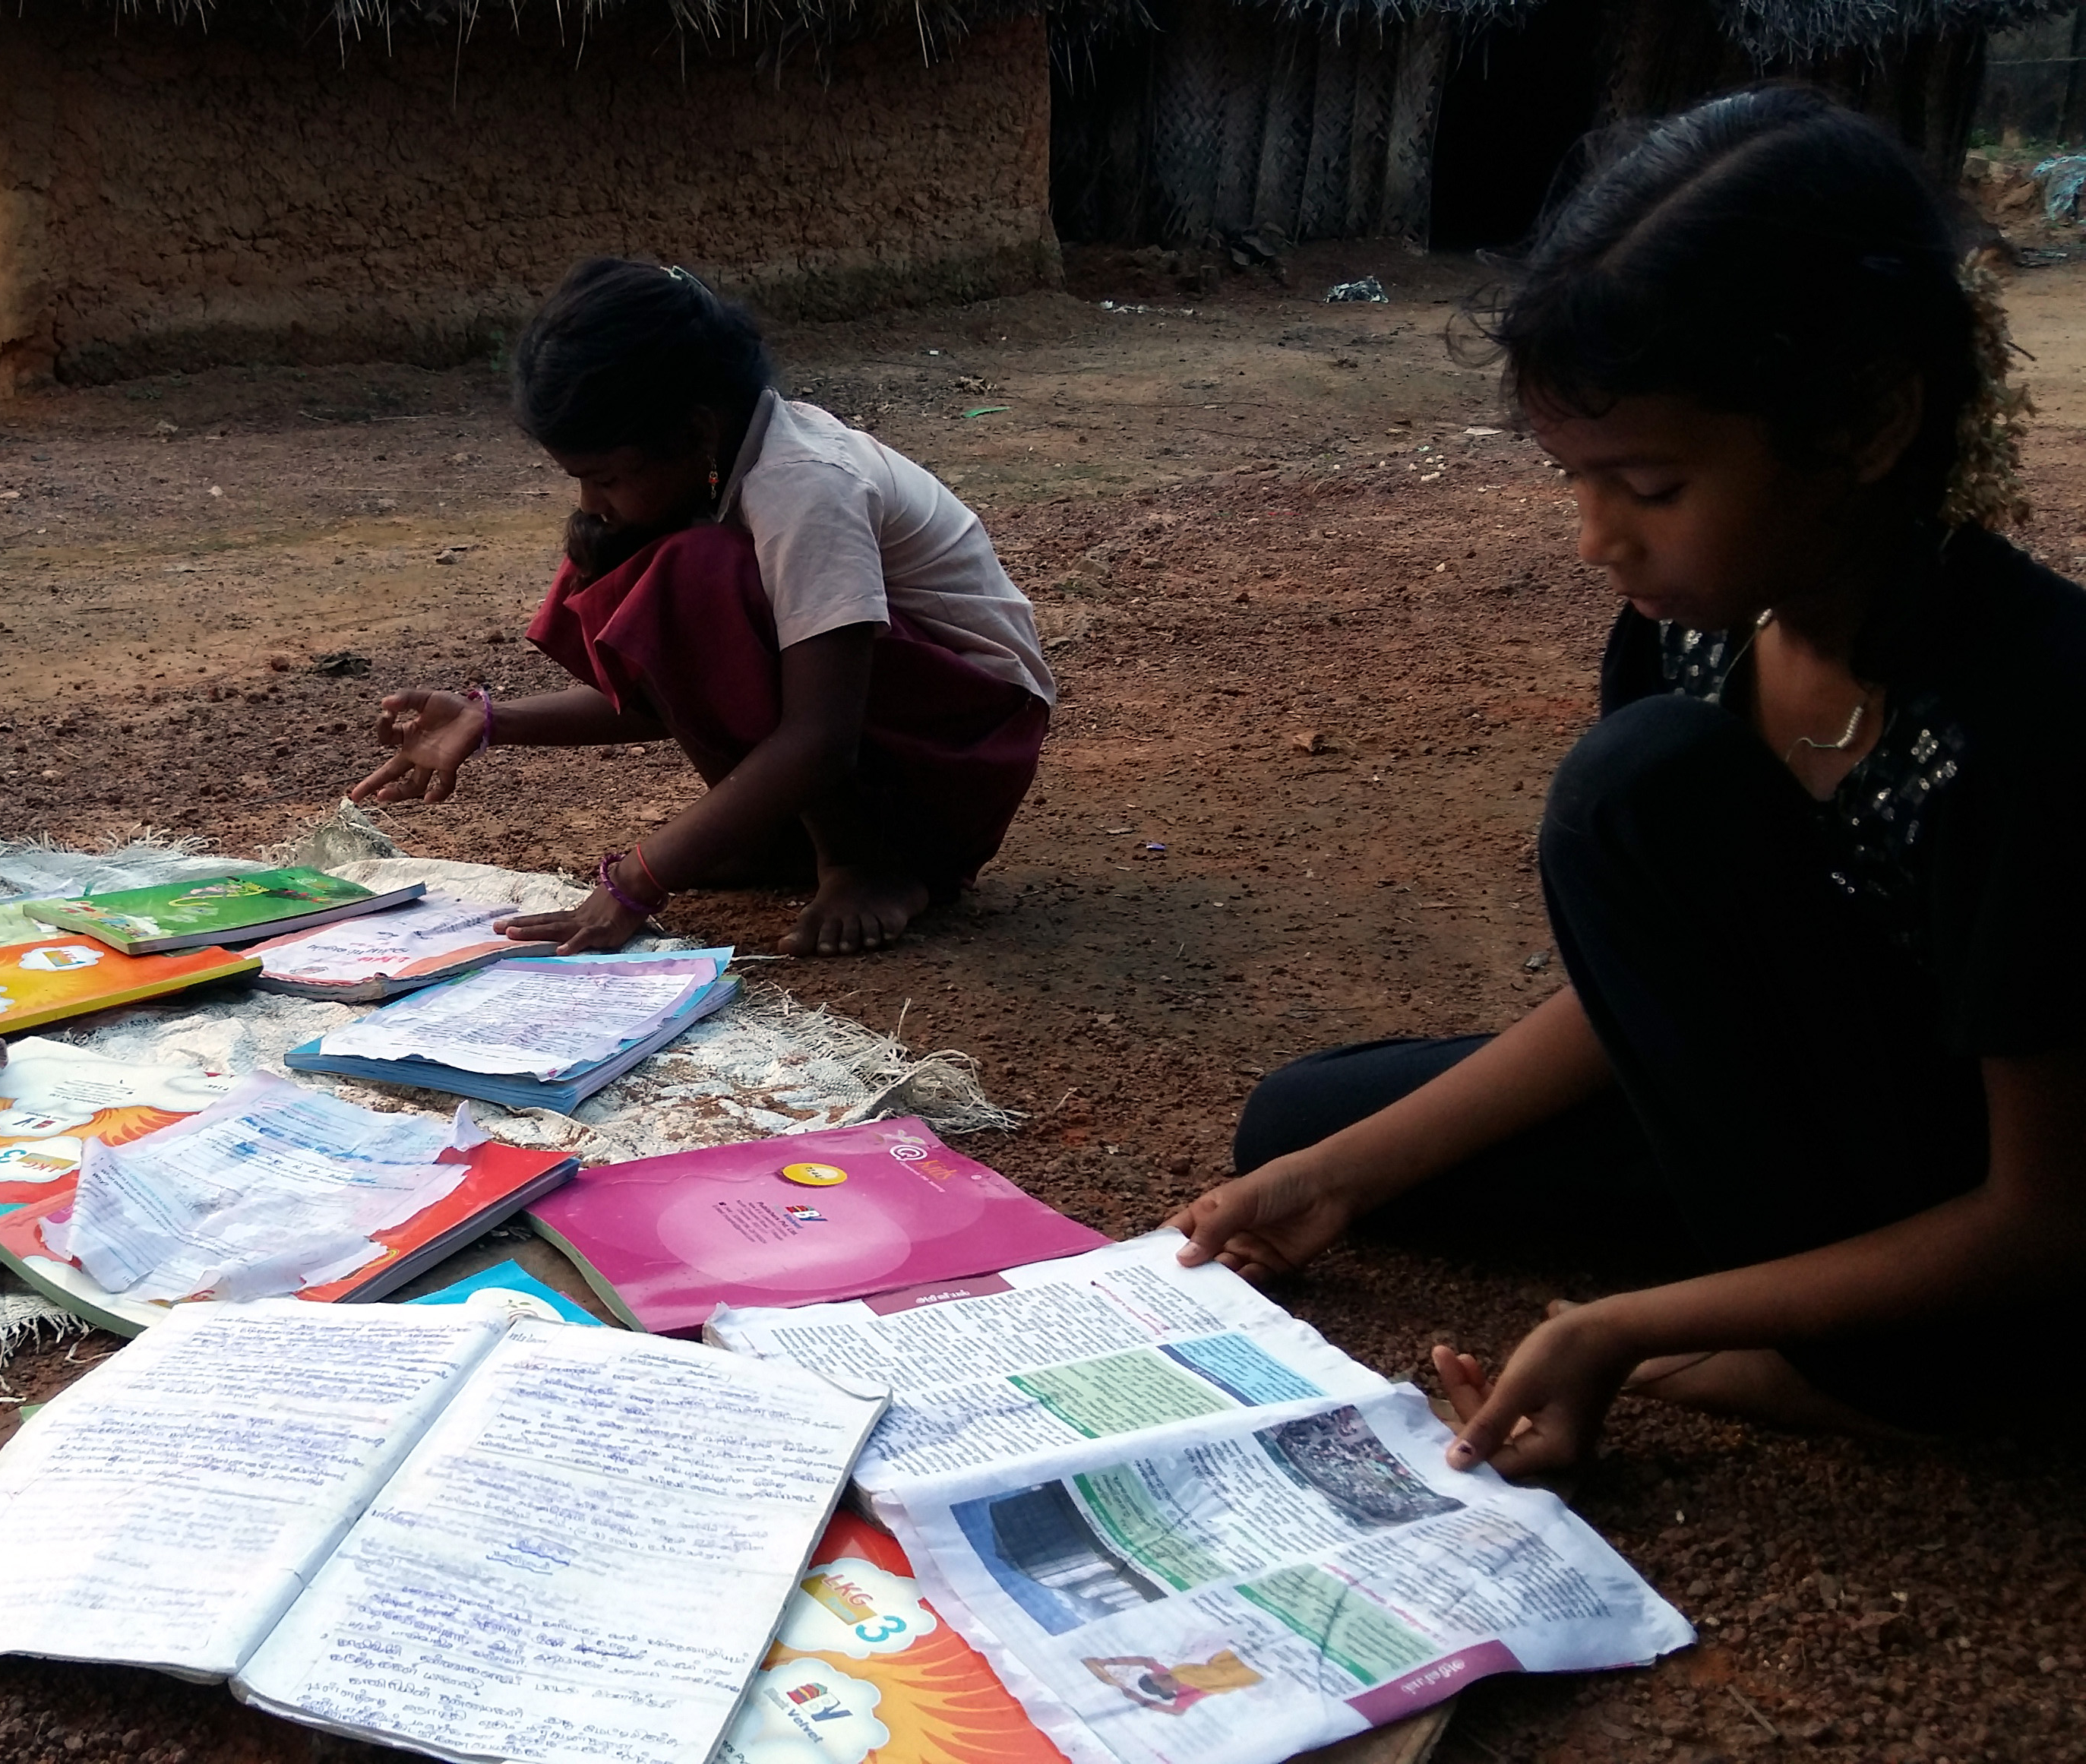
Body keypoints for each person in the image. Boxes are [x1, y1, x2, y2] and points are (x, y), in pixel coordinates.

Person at [1165, 87, 2086, 1477]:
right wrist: (1338, 1177)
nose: (1599, 539)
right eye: (1576, 482)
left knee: (1631, 780)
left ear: (1868, 421)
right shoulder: (1691, 642)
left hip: (1995, 1221)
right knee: (1305, 1127)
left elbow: (2043, 1218)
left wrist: (1625, 1326)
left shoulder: (2031, 715)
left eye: (1648, 488)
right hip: (1797, 1118)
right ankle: (1781, 1290)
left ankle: (1859, 1368)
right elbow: (1655, 991)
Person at [350, 259, 1057, 958]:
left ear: (693, 433)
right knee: (623, 554)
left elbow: (821, 737)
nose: (592, 502)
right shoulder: (720, 470)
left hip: (964, 750)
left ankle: (865, 862)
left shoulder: (804, 485)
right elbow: (669, 699)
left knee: (694, 573)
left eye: (605, 478)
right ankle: (786, 842)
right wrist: (491, 718)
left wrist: (637, 881)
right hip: (883, 740)